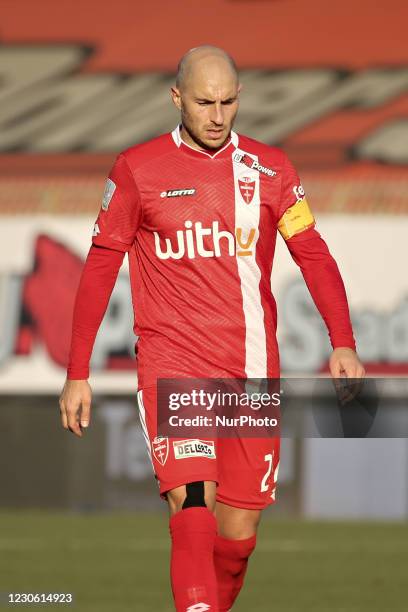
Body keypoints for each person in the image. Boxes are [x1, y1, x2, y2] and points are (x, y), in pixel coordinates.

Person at [59, 46, 365, 611]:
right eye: (204, 102)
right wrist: (77, 373)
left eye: (227, 102)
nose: (218, 115)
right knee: (192, 504)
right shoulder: (138, 170)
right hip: (174, 365)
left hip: (250, 373)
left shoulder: (272, 171)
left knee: (238, 533)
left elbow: (314, 256)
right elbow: (101, 264)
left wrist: (341, 340)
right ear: (176, 98)